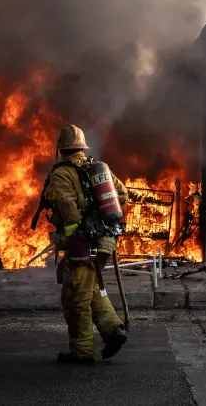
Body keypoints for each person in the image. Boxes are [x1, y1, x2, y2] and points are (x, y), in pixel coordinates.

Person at [44, 124, 130, 364]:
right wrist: (98, 212)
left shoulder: (62, 173)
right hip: (104, 242)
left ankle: (82, 352)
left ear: (61, 149)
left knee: (75, 298)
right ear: (82, 147)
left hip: (83, 245)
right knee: (90, 289)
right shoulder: (97, 168)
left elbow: (69, 212)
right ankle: (113, 331)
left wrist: (66, 239)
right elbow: (122, 194)